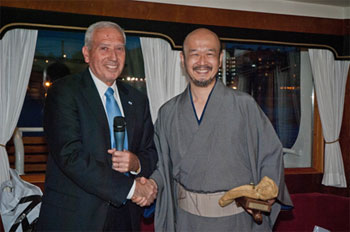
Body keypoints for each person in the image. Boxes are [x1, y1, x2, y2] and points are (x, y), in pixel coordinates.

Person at [146, 28, 293, 231]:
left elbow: (270, 155)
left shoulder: (245, 106)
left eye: (210, 53)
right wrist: (150, 184)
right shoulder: (168, 113)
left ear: (221, 58)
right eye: (194, 53)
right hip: (187, 222)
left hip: (236, 221)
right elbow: (161, 165)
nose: (202, 61)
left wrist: (267, 191)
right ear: (182, 59)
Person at [36, 21, 158, 231]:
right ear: (86, 53)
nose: (113, 56)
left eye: (119, 48)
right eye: (104, 48)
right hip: (76, 217)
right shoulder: (64, 92)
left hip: (125, 217)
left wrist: (136, 163)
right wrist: (131, 189)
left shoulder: (137, 100)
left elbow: (151, 152)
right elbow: (70, 156)